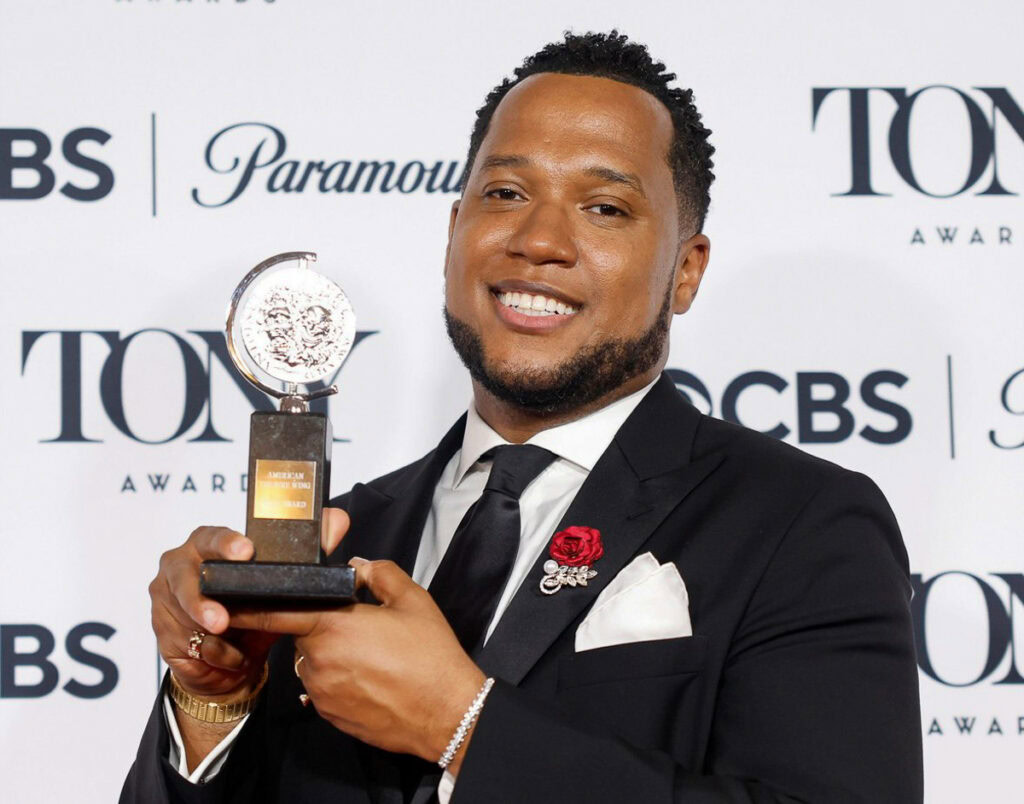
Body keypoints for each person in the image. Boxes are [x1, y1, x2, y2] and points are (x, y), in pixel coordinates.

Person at [121, 31, 923, 803]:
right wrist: (211, 698)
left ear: (685, 271)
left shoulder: (798, 524)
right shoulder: (346, 533)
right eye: (505, 194)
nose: (539, 240)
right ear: (452, 233)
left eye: (604, 207)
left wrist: (464, 725)